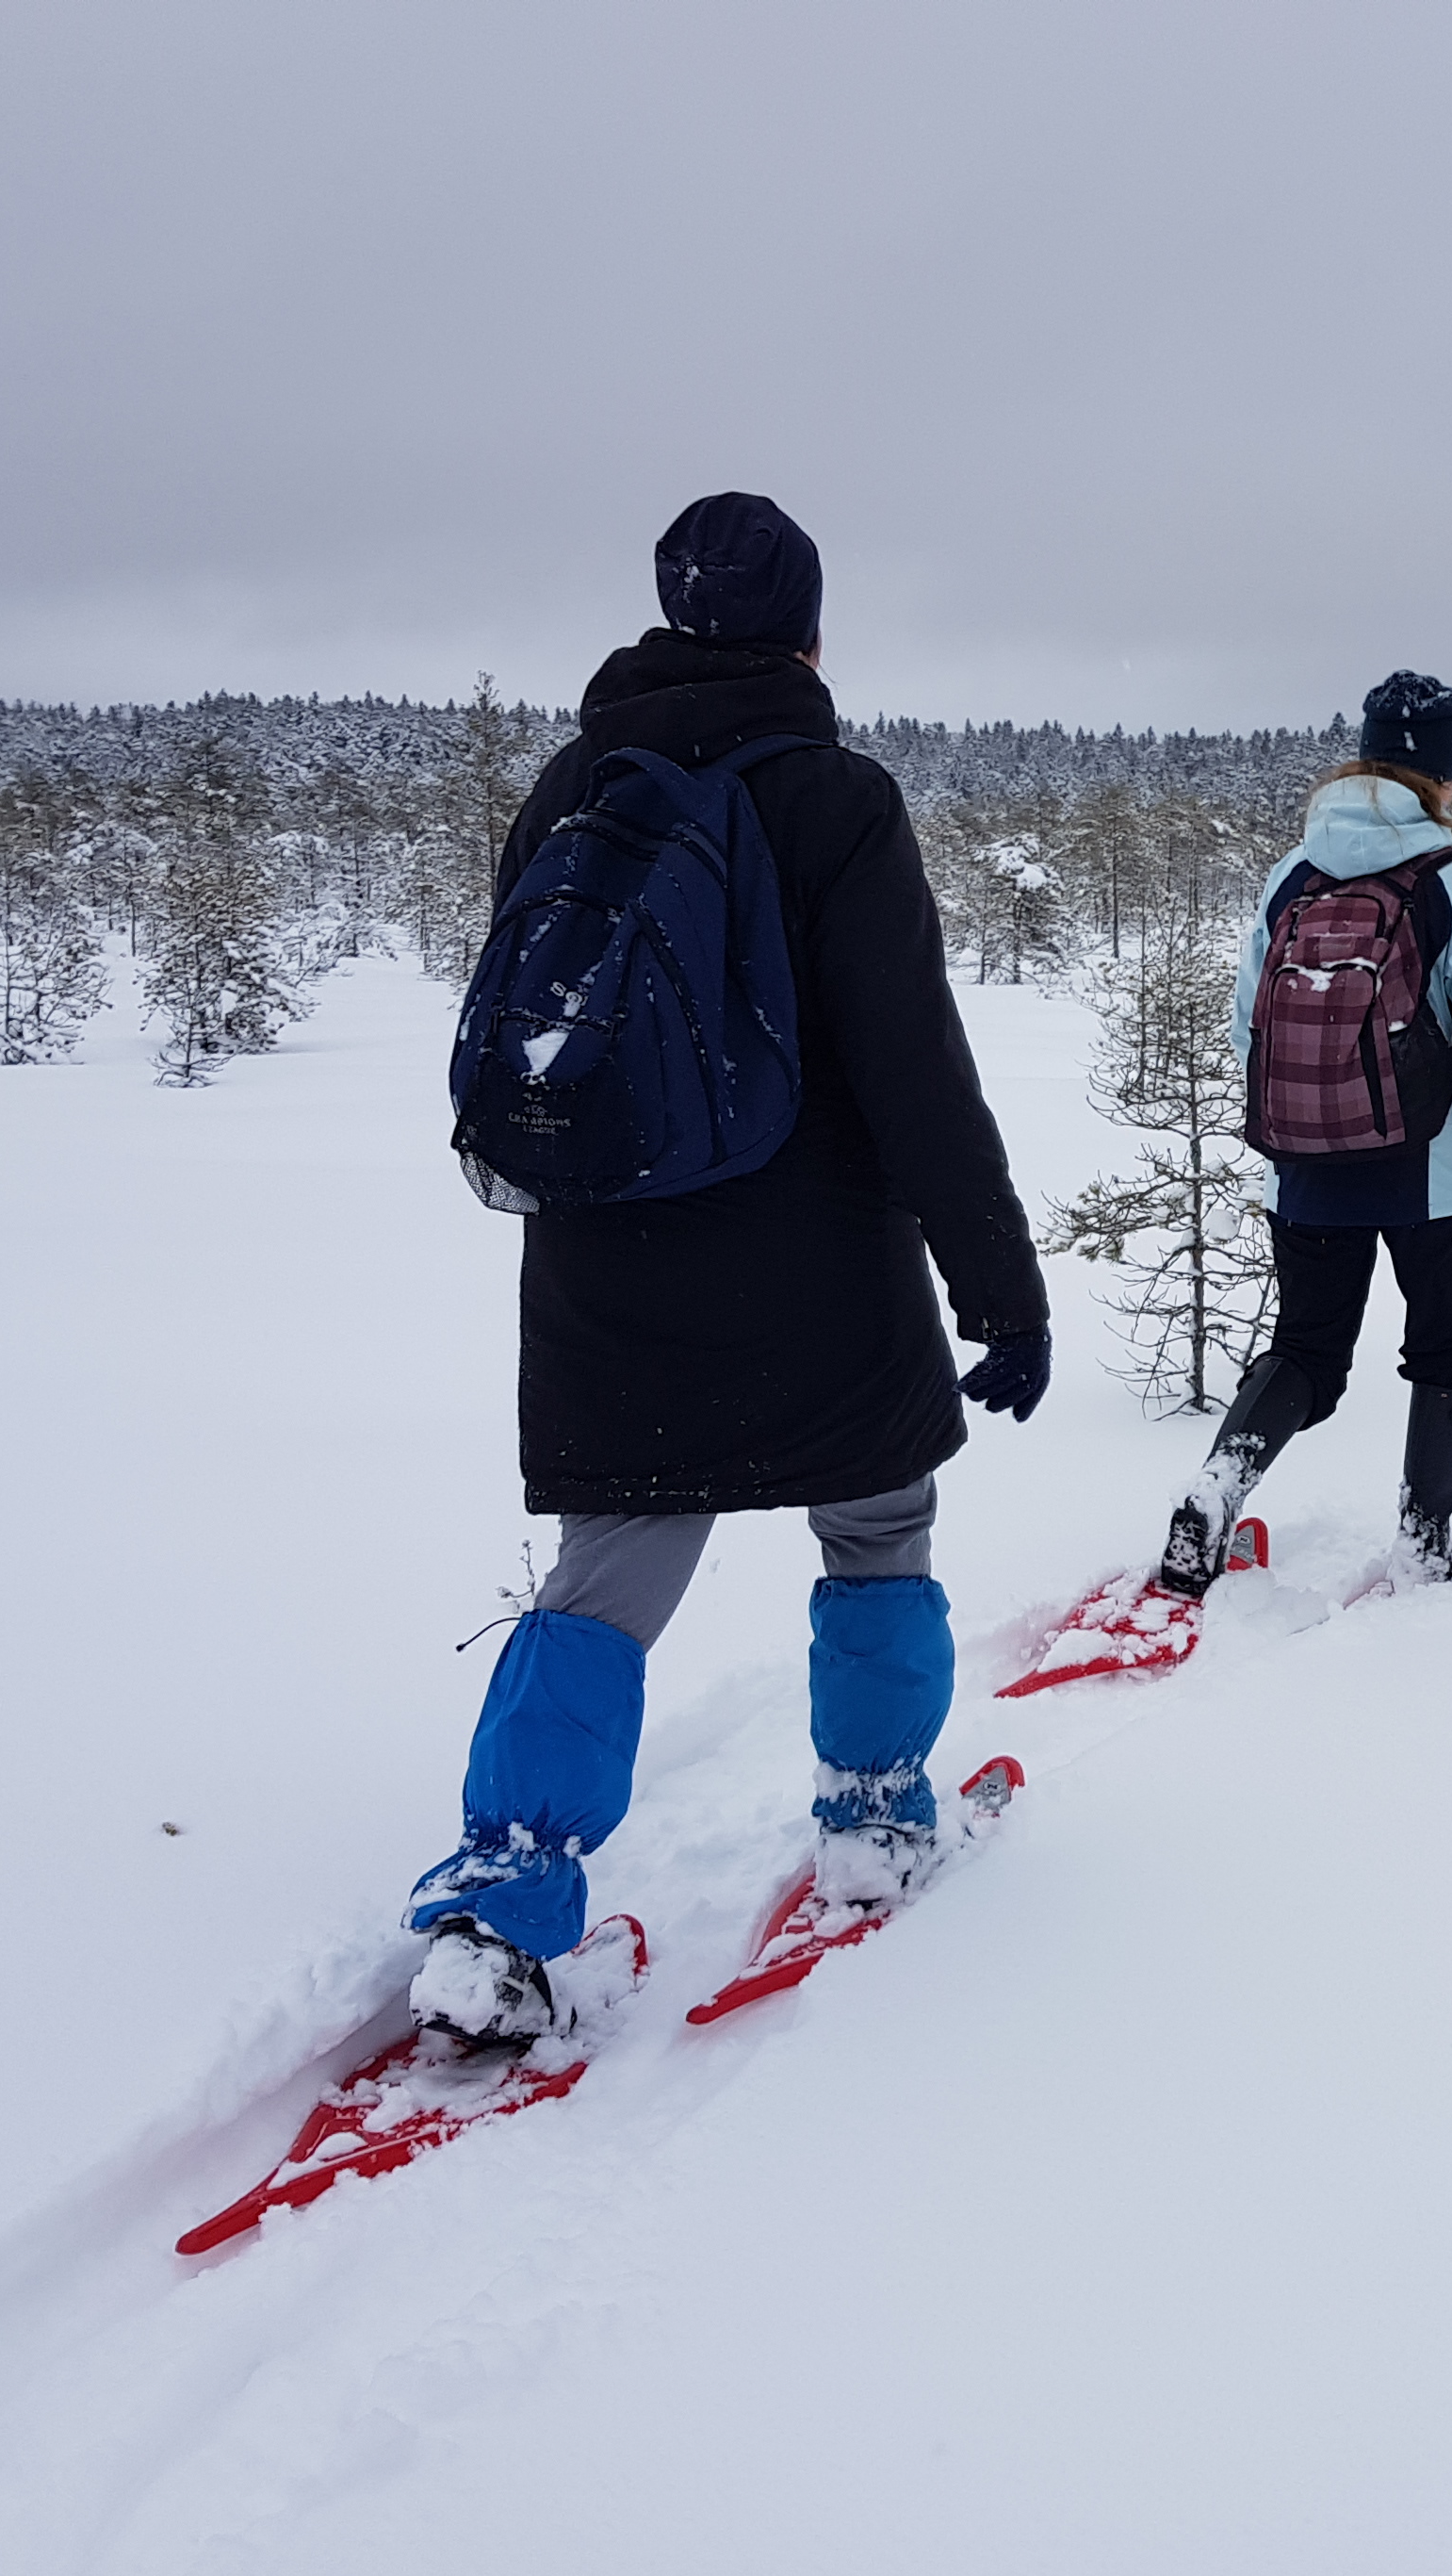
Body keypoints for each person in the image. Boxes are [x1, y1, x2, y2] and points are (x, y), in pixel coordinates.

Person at [406, 492, 1052, 2045]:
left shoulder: (572, 782)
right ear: (807, 631)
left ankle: (504, 1898)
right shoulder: (836, 797)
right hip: (812, 1248)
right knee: (878, 1517)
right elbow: (913, 1069)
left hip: (604, 1254)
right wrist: (998, 1280)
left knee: (609, 1570)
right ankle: (876, 1814)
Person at [1150, 672, 1452, 1599]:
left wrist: (1310, 1118)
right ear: (1444, 775)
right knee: (1447, 1347)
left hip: (1302, 1171)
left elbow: (1247, 1026)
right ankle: (1425, 1543)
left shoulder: (1291, 874)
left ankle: (1214, 1494)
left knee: (1305, 1350)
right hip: (1428, 1172)